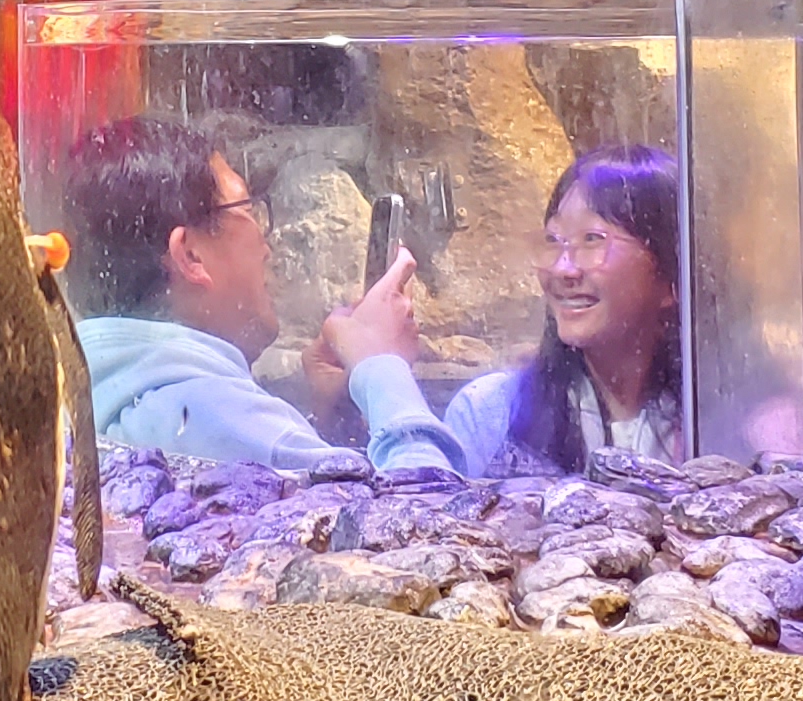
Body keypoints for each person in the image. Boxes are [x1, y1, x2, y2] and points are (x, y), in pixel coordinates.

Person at [64, 117, 462, 473]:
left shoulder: (83, 402)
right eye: (248, 209)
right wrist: (381, 366)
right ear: (190, 255)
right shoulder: (220, 415)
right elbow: (426, 515)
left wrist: (331, 420)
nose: (266, 243)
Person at [443, 145, 686, 476]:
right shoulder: (491, 415)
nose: (562, 269)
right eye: (553, 240)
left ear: (671, 274)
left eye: (592, 239)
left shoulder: (725, 422)